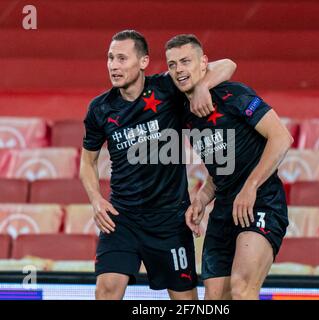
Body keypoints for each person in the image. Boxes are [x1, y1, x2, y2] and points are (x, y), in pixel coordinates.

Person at [79, 30, 236, 300]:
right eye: (110, 58)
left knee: (185, 300)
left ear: (143, 62)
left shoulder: (166, 89)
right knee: (106, 291)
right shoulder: (100, 109)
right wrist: (95, 199)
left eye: (121, 58)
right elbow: (87, 161)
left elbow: (228, 65)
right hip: (122, 219)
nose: (113, 65)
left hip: (170, 221)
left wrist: (201, 87)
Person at [165, 34, 293, 300]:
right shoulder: (184, 111)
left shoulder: (234, 94)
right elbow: (222, 168)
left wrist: (251, 186)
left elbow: (282, 138)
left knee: (242, 287)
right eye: (172, 64)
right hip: (223, 211)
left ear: (204, 63)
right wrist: (200, 199)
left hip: (261, 202)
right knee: (215, 300)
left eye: (185, 61)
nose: (179, 69)